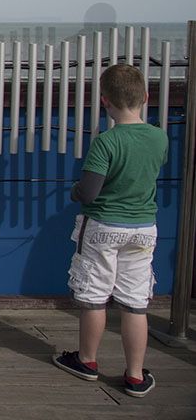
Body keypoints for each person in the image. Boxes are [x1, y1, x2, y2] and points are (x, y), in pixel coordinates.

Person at [53, 64, 167, 397]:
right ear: (145, 97)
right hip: (143, 229)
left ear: (105, 102)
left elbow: (89, 192)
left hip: (104, 227)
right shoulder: (160, 137)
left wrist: (75, 190)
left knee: (94, 296)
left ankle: (87, 361)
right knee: (134, 302)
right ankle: (134, 375)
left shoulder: (106, 142)